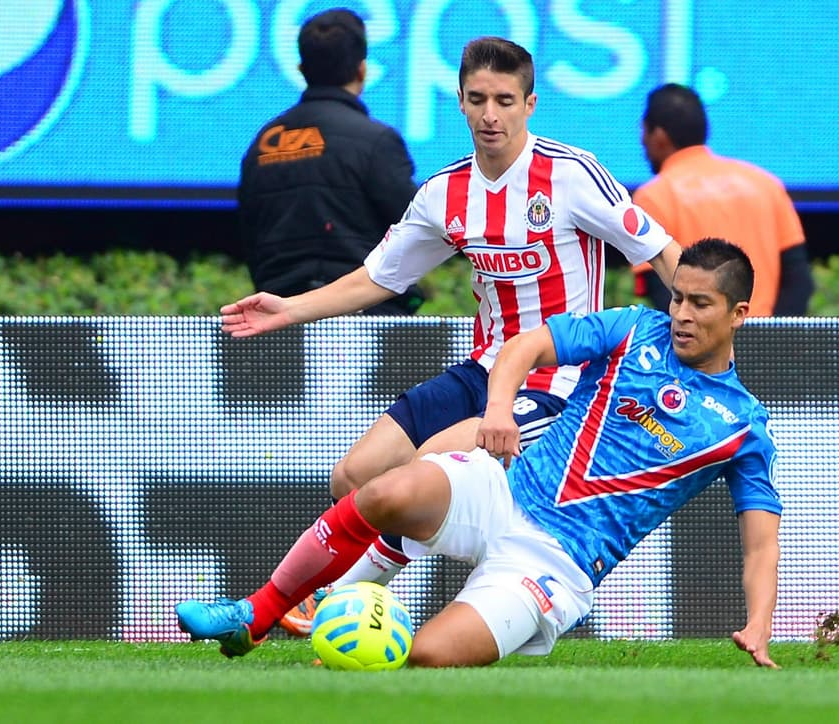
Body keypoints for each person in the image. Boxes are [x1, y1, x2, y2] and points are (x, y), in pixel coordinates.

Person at [220, 36, 682, 633]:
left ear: (530, 104)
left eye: (505, 100)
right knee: (354, 476)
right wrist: (290, 308)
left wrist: (701, 340)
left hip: (562, 383)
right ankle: (337, 605)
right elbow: (378, 278)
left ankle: (336, 603)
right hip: (485, 368)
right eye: (479, 99)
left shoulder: (571, 176)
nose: (492, 114)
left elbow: (663, 252)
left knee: (427, 464)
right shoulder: (445, 193)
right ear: (459, 102)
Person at [177, 238, 782, 668]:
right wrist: (497, 411)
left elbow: (760, 540)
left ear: (739, 314)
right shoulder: (632, 328)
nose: (680, 313)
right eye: (677, 298)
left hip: (556, 564)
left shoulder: (742, 426)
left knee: (430, 656)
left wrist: (759, 624)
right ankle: (253, 616)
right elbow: (523, 347)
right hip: (505, 491)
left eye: (700, 304)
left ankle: (356, 626)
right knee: (387, 488)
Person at [238, 8, 423, 316]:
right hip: (369, 320)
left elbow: (249, 238)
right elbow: (419, 229)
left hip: (280, 322)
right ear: (362, 69)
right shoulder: (377, 141)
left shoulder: (261, 146)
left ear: (300, 68)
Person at [631, 83, 813, 317]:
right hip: (766, 343)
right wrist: (771, 342)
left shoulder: (654, 197)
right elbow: (798, 282)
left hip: (702, 349)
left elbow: (661, 291)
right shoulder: (765, 184)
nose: (641, 141)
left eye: (643, 131)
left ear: (659, 136)